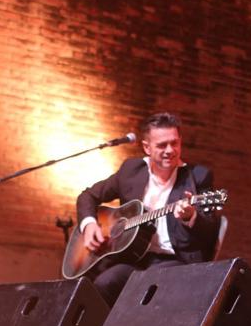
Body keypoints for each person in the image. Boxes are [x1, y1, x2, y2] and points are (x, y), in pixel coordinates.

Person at [76, 112, 219, 305]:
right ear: (147, 147)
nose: (170, 150)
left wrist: (191, 216)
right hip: (132, 258)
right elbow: (88, 196)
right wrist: (89, 224)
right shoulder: (131, 171)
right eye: (161, 145)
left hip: (173, 259)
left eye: (174, 143)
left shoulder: (197, 177)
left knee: (149, 287)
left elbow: (211, 229)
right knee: (103, 284)